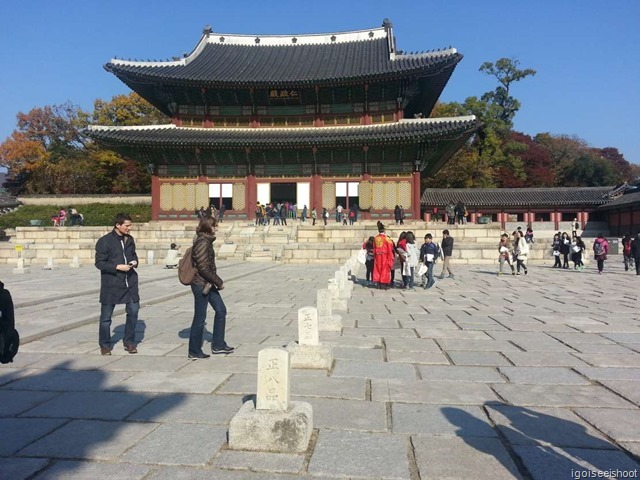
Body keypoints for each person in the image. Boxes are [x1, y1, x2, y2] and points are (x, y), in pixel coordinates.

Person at [95, 213, 140, 355]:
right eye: (127, 225)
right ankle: (105, 344)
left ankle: (130, 342)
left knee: (133, 311)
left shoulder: (129, 239)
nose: (129, 228)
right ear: (118, 225)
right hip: (112, 283)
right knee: (106, 318)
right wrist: (117, 267)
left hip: (130, 282)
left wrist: (134, 261)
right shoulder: (104, 241)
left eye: (130, 225)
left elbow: (133, 254)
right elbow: (99, 263)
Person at [189, 216, 233, 358]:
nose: (216, 228)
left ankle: (218, 345)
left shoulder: (206, 241)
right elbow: (202, 267)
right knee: (200, 317)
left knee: (221, 310)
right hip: (201, 284)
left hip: (208, 282)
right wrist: (219, 281)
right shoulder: (202, 242)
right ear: (208, 227)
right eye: (214, 226)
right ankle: (194, 351)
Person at [373, 221, 394, 289]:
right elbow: (390, 248)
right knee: (384, 269)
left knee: (378, 268)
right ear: (384, 230)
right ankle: (383, 283)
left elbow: (374, 247)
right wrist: (391, 257)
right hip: (385, 256)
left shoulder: (375, 238)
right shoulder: (387, 238)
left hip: (377, 256)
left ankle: (378, 283)